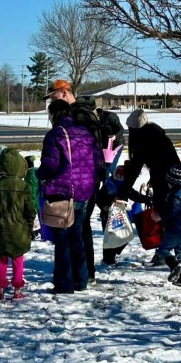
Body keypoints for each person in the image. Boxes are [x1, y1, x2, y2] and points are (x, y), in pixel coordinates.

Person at [44, 80, 110, 285]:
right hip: (85, 188)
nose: (51, 99)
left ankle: (67, 282)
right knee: (79, 234)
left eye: (53, 95)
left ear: (63, 93)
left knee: (66, 238)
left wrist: (41, 176)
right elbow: (97, 156)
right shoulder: (83, 124)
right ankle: (82, 277)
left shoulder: (66, 126)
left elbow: (51, 164)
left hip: (67, 189)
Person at [117, 108, 181, 265]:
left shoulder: (142, 139)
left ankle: (163, 253)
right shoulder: (158, 133)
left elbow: (135, 168)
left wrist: (124, 191)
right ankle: (177, 253)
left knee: (162, 216)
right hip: (176, 179)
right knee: (173, 216)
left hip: (162, 180)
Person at [0, 148, 36, 300]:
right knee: (18, 258)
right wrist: (29, 225)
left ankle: (0, 289)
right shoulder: (23, 186)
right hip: (19, 226)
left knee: (1, 258)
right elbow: (29, 209)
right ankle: (17, 289)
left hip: (0, 226)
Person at [96, 163, 151, 265]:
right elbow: (98, 198)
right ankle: (108, 259)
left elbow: (134, 195)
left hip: (121, 216)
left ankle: (114, 252)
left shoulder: (125, 187)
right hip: (107, 216)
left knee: (125, 236)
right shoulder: (107, 186)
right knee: (110, 238)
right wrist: (105, 206)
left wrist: (147, 200)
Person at [156, 163, 181, 286]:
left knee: (163, 249)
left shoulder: (176, 196)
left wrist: (161, 218)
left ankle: (175, 266)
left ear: (174, 182)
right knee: (180, 252)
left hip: (174, 229)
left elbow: (171, 212)